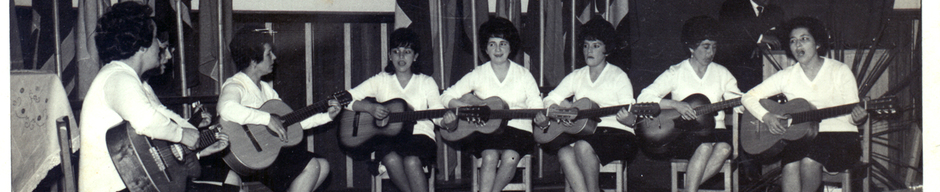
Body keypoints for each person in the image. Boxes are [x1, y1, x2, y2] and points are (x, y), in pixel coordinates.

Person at [78, 2, 227, 191]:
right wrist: (183, 135)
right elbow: (148, 121)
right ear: (142, 45)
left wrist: (198, 143)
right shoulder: (117, 77)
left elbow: (162, 117)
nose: (159, 45)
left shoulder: (136, 82)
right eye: (156, 38)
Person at [742, 16, 868, 192]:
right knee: (790, 166)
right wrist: (767, 116)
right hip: (804, 138)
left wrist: (857, 119)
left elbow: (852, 117)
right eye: (793, 41)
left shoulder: (839, 71)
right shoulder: (787, 76)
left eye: (804, 39)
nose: (798, 45)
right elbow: (747, 97)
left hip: (841, 138)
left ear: (817, 44)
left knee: (809, 162)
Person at [217, 26, 339, 192]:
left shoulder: (267, 90)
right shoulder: (235, 85)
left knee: (323, 165)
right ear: (253, 60)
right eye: (268, 54)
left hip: (269, 157)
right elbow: (226, 109)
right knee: (312, 166)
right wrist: (267, 119)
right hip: (249, 159)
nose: (274, 58)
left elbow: (291, 121)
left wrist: (327, 116)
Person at [636, 16, 743, 192]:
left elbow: (738, 101)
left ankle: (688, 189)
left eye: (714, 47)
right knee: (704, 147)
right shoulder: (676, 72)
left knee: (724, 148)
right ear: (692, 47)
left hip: (717, 131)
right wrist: (675, 105)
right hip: (685, 134)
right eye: (706, 47)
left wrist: (750, 100)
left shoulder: (722, 73)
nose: (711, 53)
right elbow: (643, 97)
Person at [532, 15, 638, 192]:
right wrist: (562, 108)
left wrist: (628, 119)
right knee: (564, 152)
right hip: (588, 134)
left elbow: (631, 115)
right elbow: (549, 98)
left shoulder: (618, 76)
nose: (590, 50)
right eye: (586, 45)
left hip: (618, 134)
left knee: (582, 146)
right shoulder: (577, 75)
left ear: (607, 49)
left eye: (596, 46)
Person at [439, 17, 543, 192]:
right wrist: (467, 107)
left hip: (519, 130)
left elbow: (536, 104)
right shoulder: (478, 73)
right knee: (489, 156)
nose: (497, 49)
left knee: (510, 158)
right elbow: (446, 96)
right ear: (485, 48)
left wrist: (539, 115)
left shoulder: (524, 75)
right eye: (492, 44)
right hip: (487, 131)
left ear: (511, 46)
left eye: (503, 43)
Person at [346, 28, 453, 192]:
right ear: (390, 55)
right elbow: (346, 98)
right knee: (390, 159)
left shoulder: (426, 82)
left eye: (407, 52)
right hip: (390, 138)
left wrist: (447, 122)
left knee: (411, 161)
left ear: (415, 56)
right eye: (396, 51)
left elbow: (437, 111)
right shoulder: (381, 80)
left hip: (420, 135)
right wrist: (370, 107)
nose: (401, 57)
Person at [717, 0, 786, 92]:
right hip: (739, 74)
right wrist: (759, 38)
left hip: (767, 74)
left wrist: (763, 45)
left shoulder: (775, 10)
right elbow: (730, 35)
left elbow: (781, 37)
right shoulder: (732, 7)